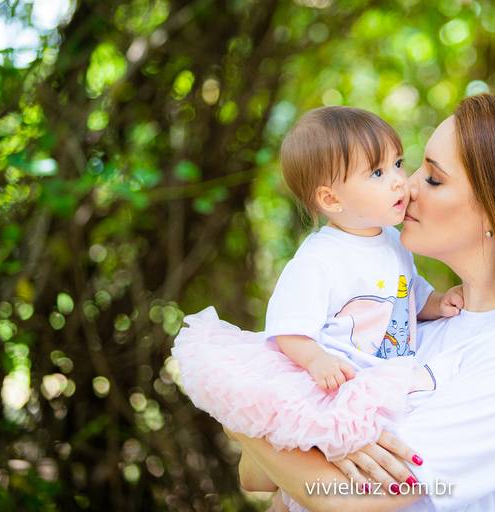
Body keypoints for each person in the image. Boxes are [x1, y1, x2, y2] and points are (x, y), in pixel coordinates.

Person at [226, 94, 495, 512]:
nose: (404, 185)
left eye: (433, 178)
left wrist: (238, 406)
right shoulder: (413, 325)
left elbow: (350, 499)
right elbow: (258, 476)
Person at [172, 106, 462, 490]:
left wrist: (437, 303)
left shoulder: (393, 240)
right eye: (377, 173)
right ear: (331, 199)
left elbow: (408, 295)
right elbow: (288, 330)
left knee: (368, 466)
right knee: (319, 472)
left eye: (397, 164)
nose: (398, 182)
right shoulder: (319, 259)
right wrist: (316, 360)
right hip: (334, 385)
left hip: (382, 376)